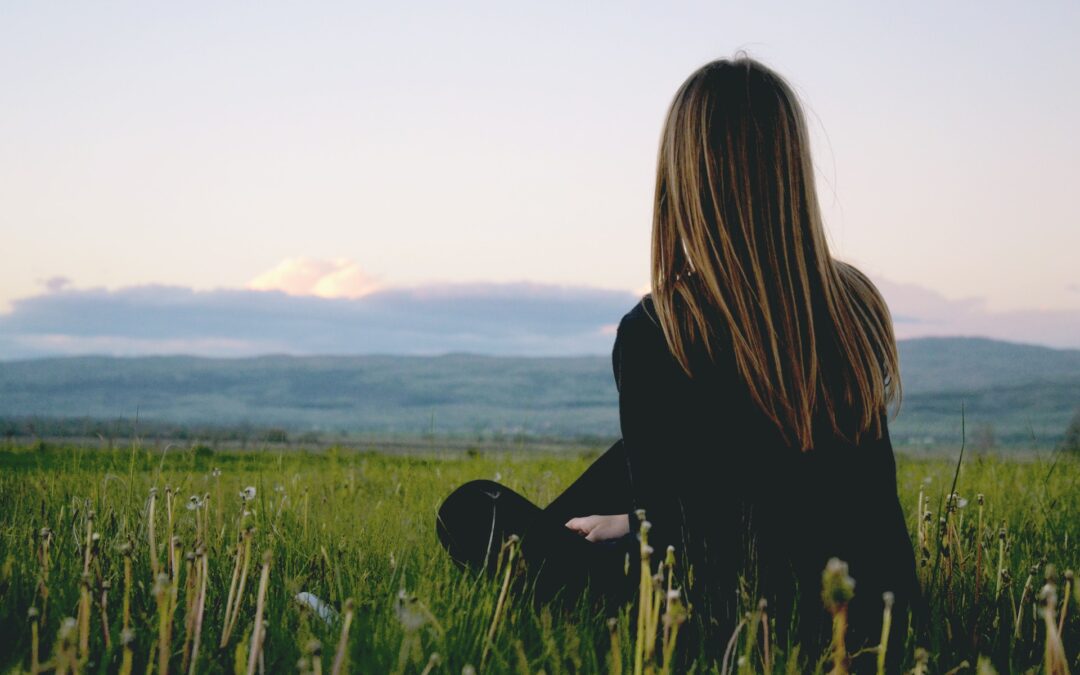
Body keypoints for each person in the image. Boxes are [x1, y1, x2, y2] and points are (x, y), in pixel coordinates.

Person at [435, 52, 921, 671]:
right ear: (790, 169)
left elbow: (685, 553)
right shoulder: (853, 302)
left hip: (720, 618)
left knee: (472, 509)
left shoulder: (663, 328)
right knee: (626, 465)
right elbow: (802, 484)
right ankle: (594, 530)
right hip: (874, 612)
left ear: (685, 176)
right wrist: (636, 516)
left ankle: (542, 572)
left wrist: (641, 524)